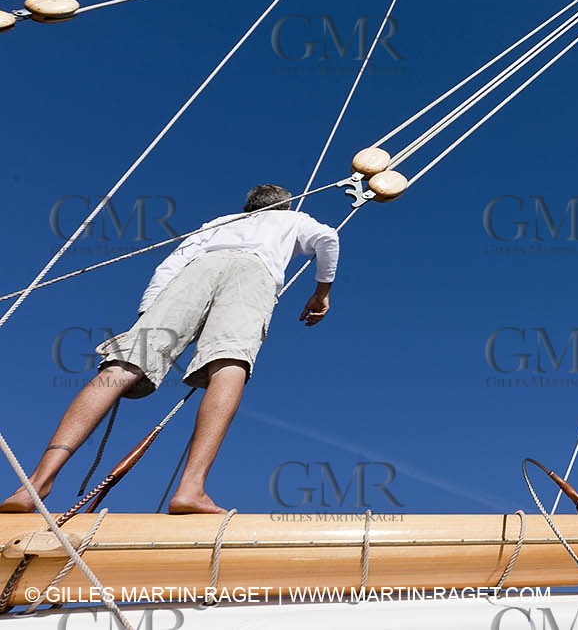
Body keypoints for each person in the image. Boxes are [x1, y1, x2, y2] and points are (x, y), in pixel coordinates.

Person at [1, 184, 340, 515]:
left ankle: (34, 485)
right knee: (229, 362)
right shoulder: (294, 219)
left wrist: (148, 314)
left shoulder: (219, 223)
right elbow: (328, 238)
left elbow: (170, 265)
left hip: (195, 272)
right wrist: (321, 293)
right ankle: (190, 489)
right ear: (287, 205)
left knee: (125, 362)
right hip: (254, 272)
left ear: (248, 207)